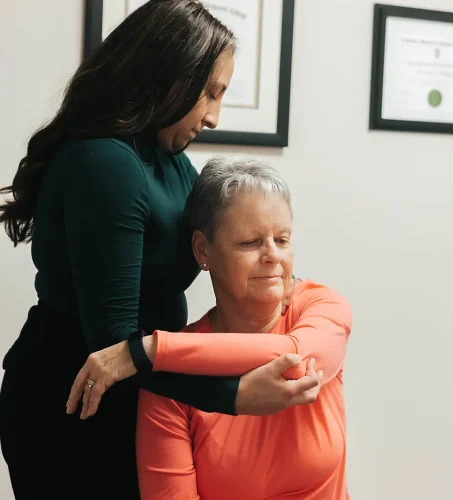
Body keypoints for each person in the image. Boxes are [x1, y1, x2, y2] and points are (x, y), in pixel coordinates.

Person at [0, 2, 321, 499]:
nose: (214, 116)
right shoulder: (107, 163)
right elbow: (115, 350)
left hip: (142, 396)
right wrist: (234, 396)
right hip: (75, 406)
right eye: (208, 93)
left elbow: (221, 249)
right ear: (167, 75)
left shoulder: (169, 162)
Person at [66, 158, 353, 499]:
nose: (272, 255)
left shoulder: (321, 307)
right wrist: (156, 357)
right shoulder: (169, 378)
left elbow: (290, 352)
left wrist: (146, 352)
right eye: (250, 242)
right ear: (203, 249)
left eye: (282, 239)